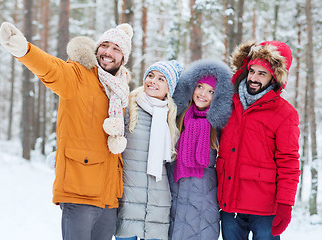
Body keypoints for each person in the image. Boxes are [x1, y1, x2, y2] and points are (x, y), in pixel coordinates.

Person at [0, 22, 133, 240]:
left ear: (123, 58)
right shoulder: (79, 75)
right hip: (80, 192)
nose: (108, 52)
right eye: (105, 45)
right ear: (97, 48)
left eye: (116, 48)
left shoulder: (120, 90)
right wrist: (24, 50)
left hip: (109, 198)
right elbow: (51, 69)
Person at [216, 41, 300, 239]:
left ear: (275, 77)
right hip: (229, 206)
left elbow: (289, 162)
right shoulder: (229, 103)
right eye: (252, 70)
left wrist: (285, 204)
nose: (253, 78)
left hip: (264, 211)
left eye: (262, 73)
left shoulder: (285, 113)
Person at [115, 60, 183, 240]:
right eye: (150, 76)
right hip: (127, 201)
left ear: (169, 88)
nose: (153, 81)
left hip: (158, 207)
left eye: (161, 79)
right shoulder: (128, 108)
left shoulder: (172, 118)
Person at [168, 59, 233, 240]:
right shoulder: (177, 117)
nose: (203, 94)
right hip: (175, 197)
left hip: (205, 204)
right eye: (200, 86)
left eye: (211, 91)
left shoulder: (219, 126)